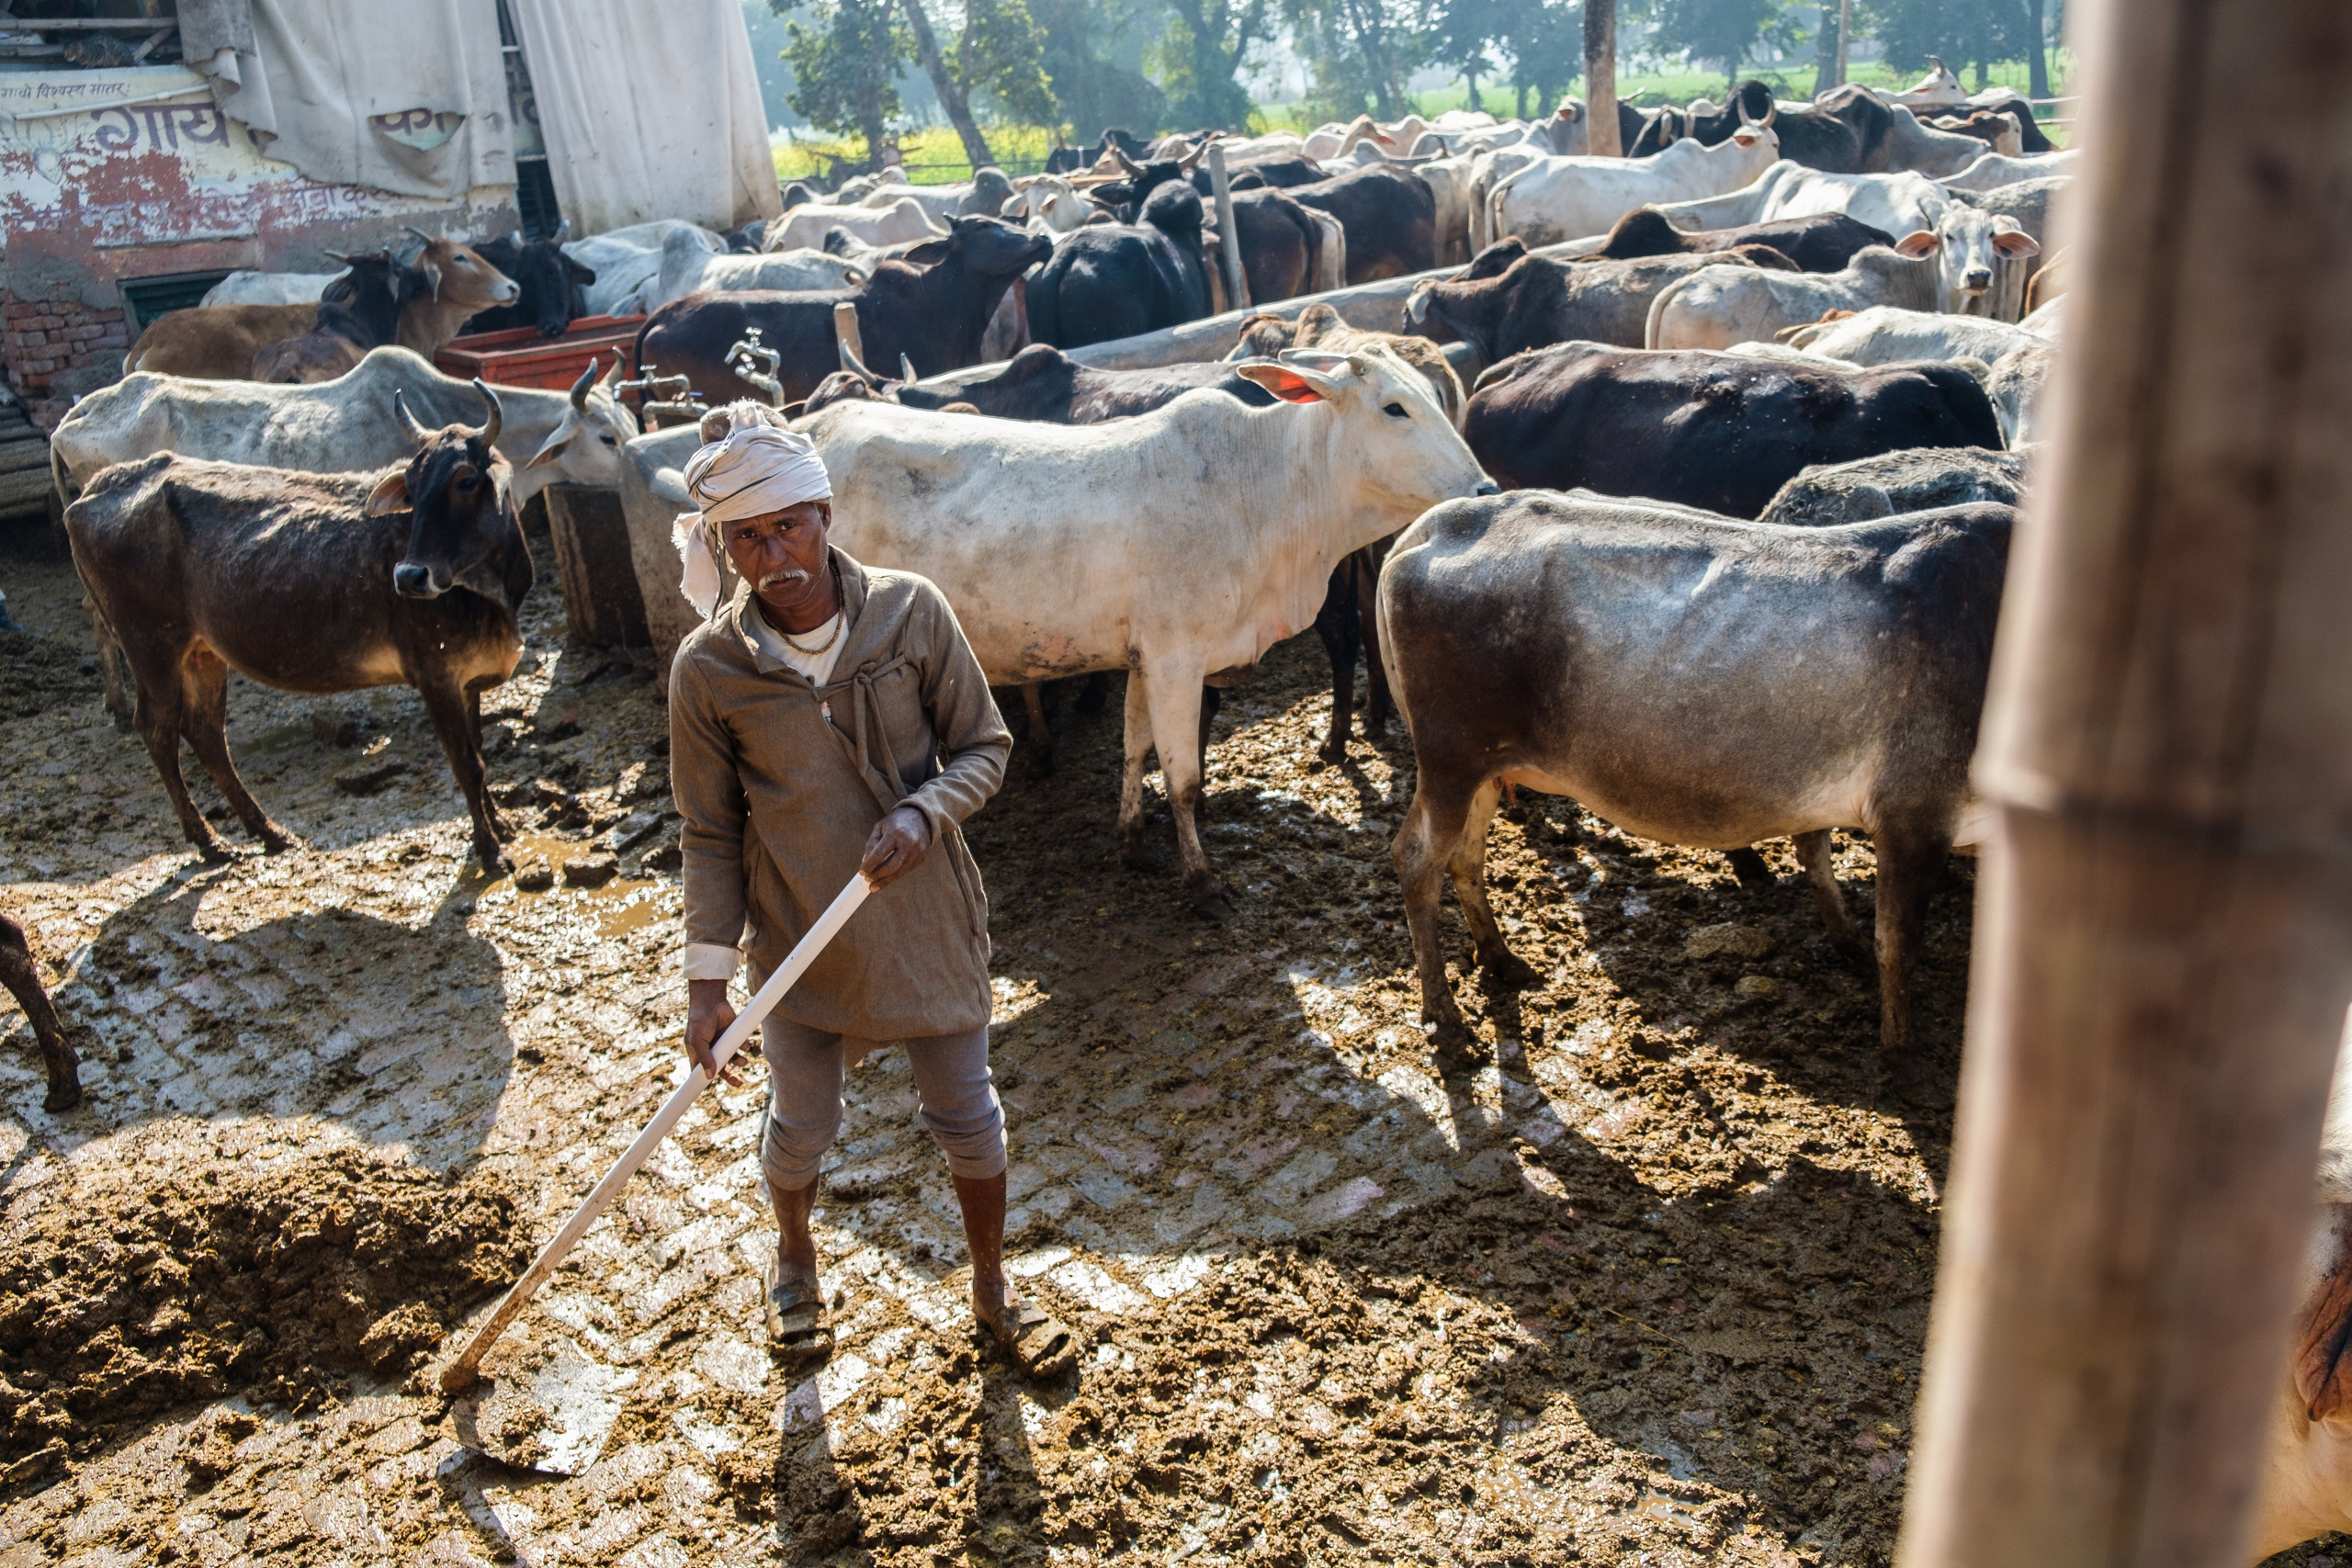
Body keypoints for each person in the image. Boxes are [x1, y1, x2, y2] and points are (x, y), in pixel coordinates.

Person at [667, 402, 1077, 1376]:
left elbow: (985, 746)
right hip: (796, 932)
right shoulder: (710, 671)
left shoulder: (910, 613)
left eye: (789, 527)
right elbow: (710, 832)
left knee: (967, 1114)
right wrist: (705, 985)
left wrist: (925, 812)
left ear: (826, 514)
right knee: (799, 1127)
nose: (776, 557)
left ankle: (990, 1286)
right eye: (750, 539)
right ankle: (797, 1263)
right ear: (725, 550)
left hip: (924, 917)